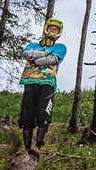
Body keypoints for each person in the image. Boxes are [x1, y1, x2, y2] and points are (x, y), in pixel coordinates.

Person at [18, 18, 65, 156]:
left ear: (59, 32)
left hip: (47, 82)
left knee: (43, 114)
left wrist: (36, 58)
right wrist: (44, 54)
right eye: (50, 28)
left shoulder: (60, 47)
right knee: (26, 114)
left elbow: (52, 59)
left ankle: (38, 147)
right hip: (30, 81)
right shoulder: (32, 44)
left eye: (55, 29)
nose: (52, 30)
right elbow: (26, 54)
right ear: (46, 29)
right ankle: (26, 147)